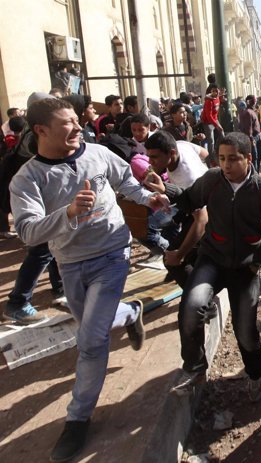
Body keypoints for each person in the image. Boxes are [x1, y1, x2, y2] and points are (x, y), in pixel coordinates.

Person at [10, 97, 169, 462]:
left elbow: (126, 181)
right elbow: (28, 232)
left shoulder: (96, 154)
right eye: (68, 122)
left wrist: (149, 198)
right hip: (70, 264)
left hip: (113, 253)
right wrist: (66, 213)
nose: (79, 127)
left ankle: (77, 418)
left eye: (77, 120)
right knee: (90, 329)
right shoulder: (29, 178)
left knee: (92, 343)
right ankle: (130, 313)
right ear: (41, 131)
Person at [165, 132, 261, 397]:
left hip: (245, 268)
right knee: (192, 306)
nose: (226, 165)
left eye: (233, 159)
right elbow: (189, 200)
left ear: (249, 158)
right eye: (221, 158)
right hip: (212, 259)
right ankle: (195, 367)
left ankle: (255, 373)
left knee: (245, 331)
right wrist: (165, 190)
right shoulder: (211, 181)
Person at [143, 131, 209, 286]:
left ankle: (202, 302)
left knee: (172, 261)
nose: (150, 162)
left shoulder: (188, 177)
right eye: (149, 156)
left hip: (208, 215)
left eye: (154, 157)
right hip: (192, 208)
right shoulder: (180, 145)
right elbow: (204, 153)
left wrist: (179, 254)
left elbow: (202, 220)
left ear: (171, 153)